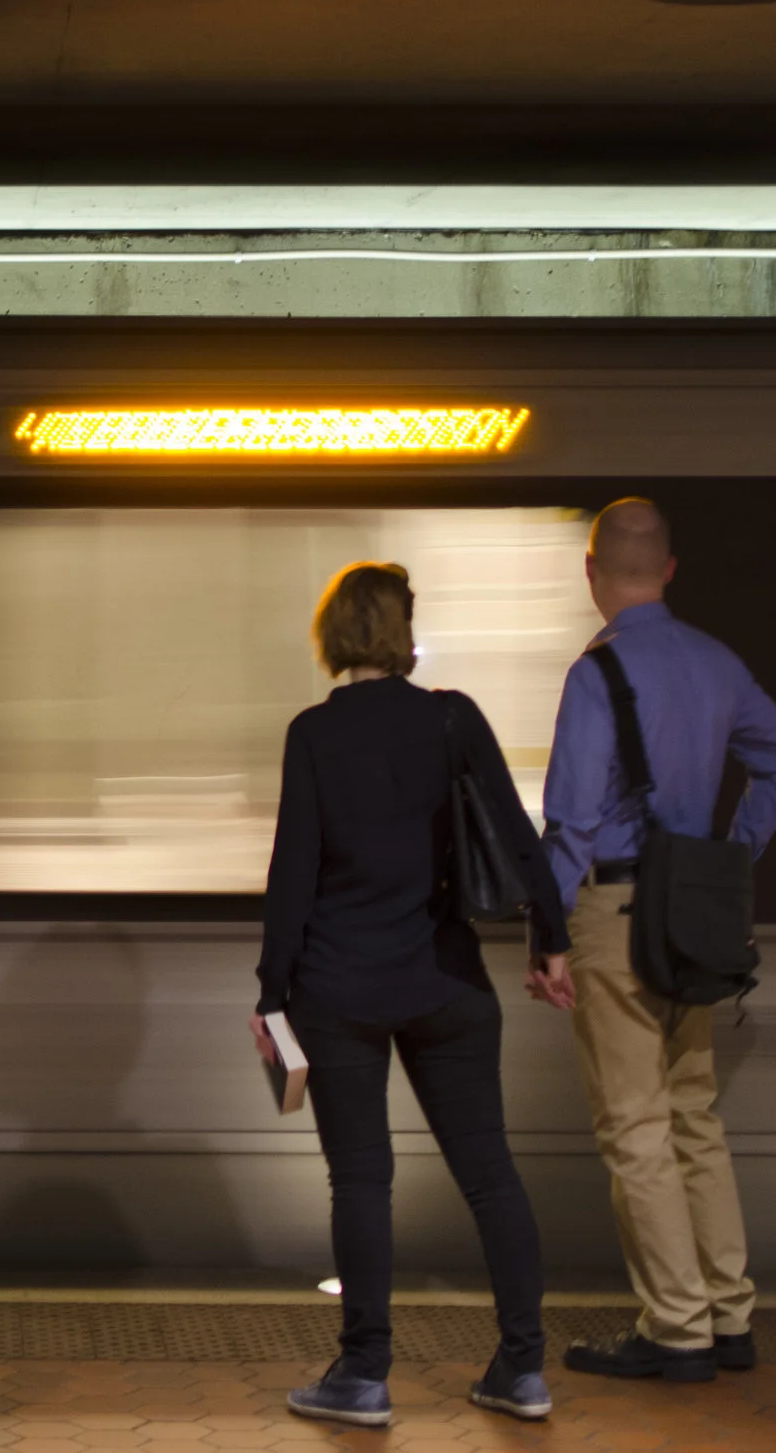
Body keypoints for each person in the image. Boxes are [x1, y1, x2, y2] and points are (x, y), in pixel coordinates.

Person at [253, 562, 575, 1427]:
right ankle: (522, 1368)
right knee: (491, 1177)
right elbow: (518, 832)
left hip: (337, 988)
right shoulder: (451, 715)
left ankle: (363, 1376)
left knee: (362, 1181)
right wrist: (552, 942)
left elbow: (293, 872)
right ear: (403, 631)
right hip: (446, 982)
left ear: (332, 635)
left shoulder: (313, 734)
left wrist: (270, 993)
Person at [543, 499, 776, 1384]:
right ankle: (729, 1312)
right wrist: (733, 850)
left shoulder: (598, 674)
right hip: (695, 915)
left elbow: (572, 820)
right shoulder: (716, 661)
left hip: (616, 913)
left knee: (635, 1124)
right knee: (693, 1112)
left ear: (592, 572)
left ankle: (675, 1325)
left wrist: (546, 930)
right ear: (670, 568)